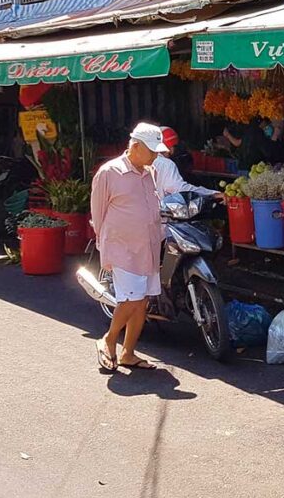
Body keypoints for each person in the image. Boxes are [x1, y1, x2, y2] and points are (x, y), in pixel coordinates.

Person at [90, 123, 167, 372]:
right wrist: (104, 243)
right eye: (152, 151)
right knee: (132, 298)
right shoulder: (108, 172)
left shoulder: (150, 172)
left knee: (142, 301)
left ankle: (128, 353)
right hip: (121, 247)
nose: (155, 155)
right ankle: (109, 339)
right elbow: (98, 213)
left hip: (148, 247)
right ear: (135, 147)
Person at [153, 126, 222, 200]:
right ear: (169, 148)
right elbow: (180, 189)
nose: (173, 151)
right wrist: (211, 194)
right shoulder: (166, 164)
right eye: (173, 146)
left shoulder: (141, 161)